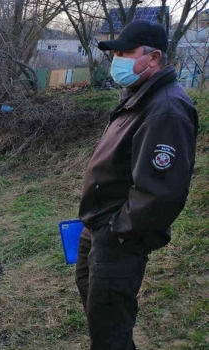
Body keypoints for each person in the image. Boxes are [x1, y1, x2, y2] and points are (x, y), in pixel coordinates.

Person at [76, 20, 198, 350]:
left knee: (110, 330)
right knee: (95, 305)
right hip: (99, 227)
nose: (119, 59)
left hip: (119, 237)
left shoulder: (166, 109)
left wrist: (117, 230)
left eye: (128, 52)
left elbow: (161, 193)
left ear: (154, 57)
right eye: (117, 52)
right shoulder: (138, 95)